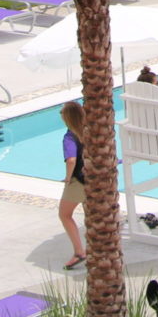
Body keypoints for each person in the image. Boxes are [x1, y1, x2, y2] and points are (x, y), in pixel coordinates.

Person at [58, 101, 88, 270]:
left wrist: (68, 178)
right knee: (90, 213)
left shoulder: (70, 137)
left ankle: (79, 252)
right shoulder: (91, 130)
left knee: (65, 214)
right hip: (96, 179)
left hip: (79, 181)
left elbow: (71, 160)